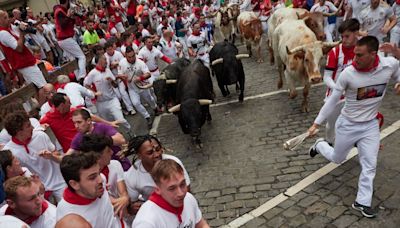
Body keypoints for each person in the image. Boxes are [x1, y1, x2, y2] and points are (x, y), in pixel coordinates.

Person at [308, 36, 400, 218]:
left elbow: (398, 73)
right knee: (337, 158)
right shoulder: (348, 73)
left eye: (359, 55)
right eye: (354, 54)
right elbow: (333, 100)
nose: (354, 59)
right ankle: (320, 145)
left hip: (370, 125)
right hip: (348, 124)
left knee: (369, 164)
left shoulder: (389, 64)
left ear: (373, 54)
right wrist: (316, 123)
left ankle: (362, 202)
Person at [3, 112, 66, 201]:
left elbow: (58, 155)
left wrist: (51, 156)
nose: (33, 128)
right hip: (36, 190)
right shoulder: (9, 151)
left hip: (59, 182)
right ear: (19, 132)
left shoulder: (40, 135)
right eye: (28, 126)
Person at [124, 135, 191, 215]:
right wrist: (133, 208)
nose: (157, 155)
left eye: (158, 149)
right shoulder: (132, 176)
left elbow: (187, 190)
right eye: (150, 152)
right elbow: (132, 205)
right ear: (139, 155)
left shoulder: (174, 162)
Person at [132, 159, 209, 227]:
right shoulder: (146, 221)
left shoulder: (188, 198)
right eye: (172, 188)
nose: (181, 193)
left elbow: (201, 224)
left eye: (182, 184)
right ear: (157, 189)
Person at [57, 152, 125, 228]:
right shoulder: (66, 215)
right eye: (92, 178)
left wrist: (123, 198)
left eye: (99, 172)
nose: (100, 180)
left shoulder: (100, 180)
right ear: (74, 184)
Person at [40, 93, 120, 153]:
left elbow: (91, 117)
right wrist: (42, 127)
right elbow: (38, 127)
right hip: (72, 151)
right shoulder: (48, 118)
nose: (70, 104)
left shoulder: (73, 111)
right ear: (62, 105)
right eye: (68, 102)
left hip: (86, 146)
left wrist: (109, 123)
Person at [0, 10, 47, 104]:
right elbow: (19, 48)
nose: (8, 19)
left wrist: (23, 31)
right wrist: (21, 33)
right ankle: (43, 109)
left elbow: (21, 42)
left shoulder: (8, 29)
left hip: (25, 62)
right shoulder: (3, 33)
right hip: (24, 63)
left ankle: (40, 108)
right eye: (5, 18)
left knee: (36, 87)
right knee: (44, 87)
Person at [323, 19, 358, 144]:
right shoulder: (335, 51)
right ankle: (329, 143)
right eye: (342, 36)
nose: (343, 40)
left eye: (347, 36)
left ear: (356, 33)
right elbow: (326, 77)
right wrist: (338, 88)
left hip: (355, 96)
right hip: (335, 96)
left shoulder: (362, 50)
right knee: (331, 125)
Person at [78, 134, 130, 219]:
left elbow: (123, 194)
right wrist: (123, 200)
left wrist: (124, 199)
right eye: (108, 151)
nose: (112, 152)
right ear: (98, 157)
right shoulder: (84, 178)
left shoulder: (115, 165)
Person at [84, 56, 132, 132]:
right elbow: (86, 86)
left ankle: (130, 132)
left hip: (112, 100)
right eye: (104, 60)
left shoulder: (108, 71)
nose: (106, 61)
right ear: (99, 62)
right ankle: (116, 138)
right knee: (108, 124)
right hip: (100, 103)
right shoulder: (92, 74)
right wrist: (94, 93)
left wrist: (111, 81)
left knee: (120, 119)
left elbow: (115, 85)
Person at [119, 46, 157, 128]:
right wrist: (124, 78)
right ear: (125, 55)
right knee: (136, 103)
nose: (132, 58)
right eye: (129, 57)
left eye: (133, 56)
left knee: (149, 99)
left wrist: (140, 78)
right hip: (132, 88)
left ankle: (155, 107)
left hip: (143, 86)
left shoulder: (140, 63)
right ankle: (147, 117)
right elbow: (120, 74)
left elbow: (148, 74)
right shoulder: (122, 63)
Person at [54, 0, 87, 81]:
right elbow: (63, 25)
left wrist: (74, 15)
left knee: (73, 59)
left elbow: (82, 17)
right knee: (82, 57)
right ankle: (82, 77)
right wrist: (69, 16)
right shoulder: (59, 11)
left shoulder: (63, 10)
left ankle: (78, 78)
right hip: (65, 39)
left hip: (64, 39)